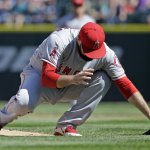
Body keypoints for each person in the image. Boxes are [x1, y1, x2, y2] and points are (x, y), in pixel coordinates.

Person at [0, 22, 150, 136]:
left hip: (71, 83)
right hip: (39, 77)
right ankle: (2, 117)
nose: (94, 54)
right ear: (79, 40)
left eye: (96, 50)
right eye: (89, 50)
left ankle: (66, 125)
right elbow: (46, 78)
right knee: (23, 104)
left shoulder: (107, 54)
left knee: (103, 79)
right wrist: (73, 79)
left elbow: (125, 85)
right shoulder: (59, 40)